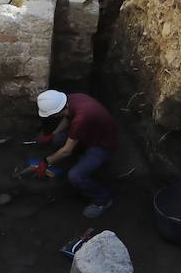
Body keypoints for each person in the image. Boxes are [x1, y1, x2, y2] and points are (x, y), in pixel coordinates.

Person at [32, 90, 119, 218]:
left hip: (103, 145)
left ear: (56, 112)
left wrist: (46, 162)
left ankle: (103, 200)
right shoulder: (71, 99)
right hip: (91, 132)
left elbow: (67, 150)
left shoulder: (81, 118)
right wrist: (53, 134)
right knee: (57, 140)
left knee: (75, 175)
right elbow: (67, 118)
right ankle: (81, 157)